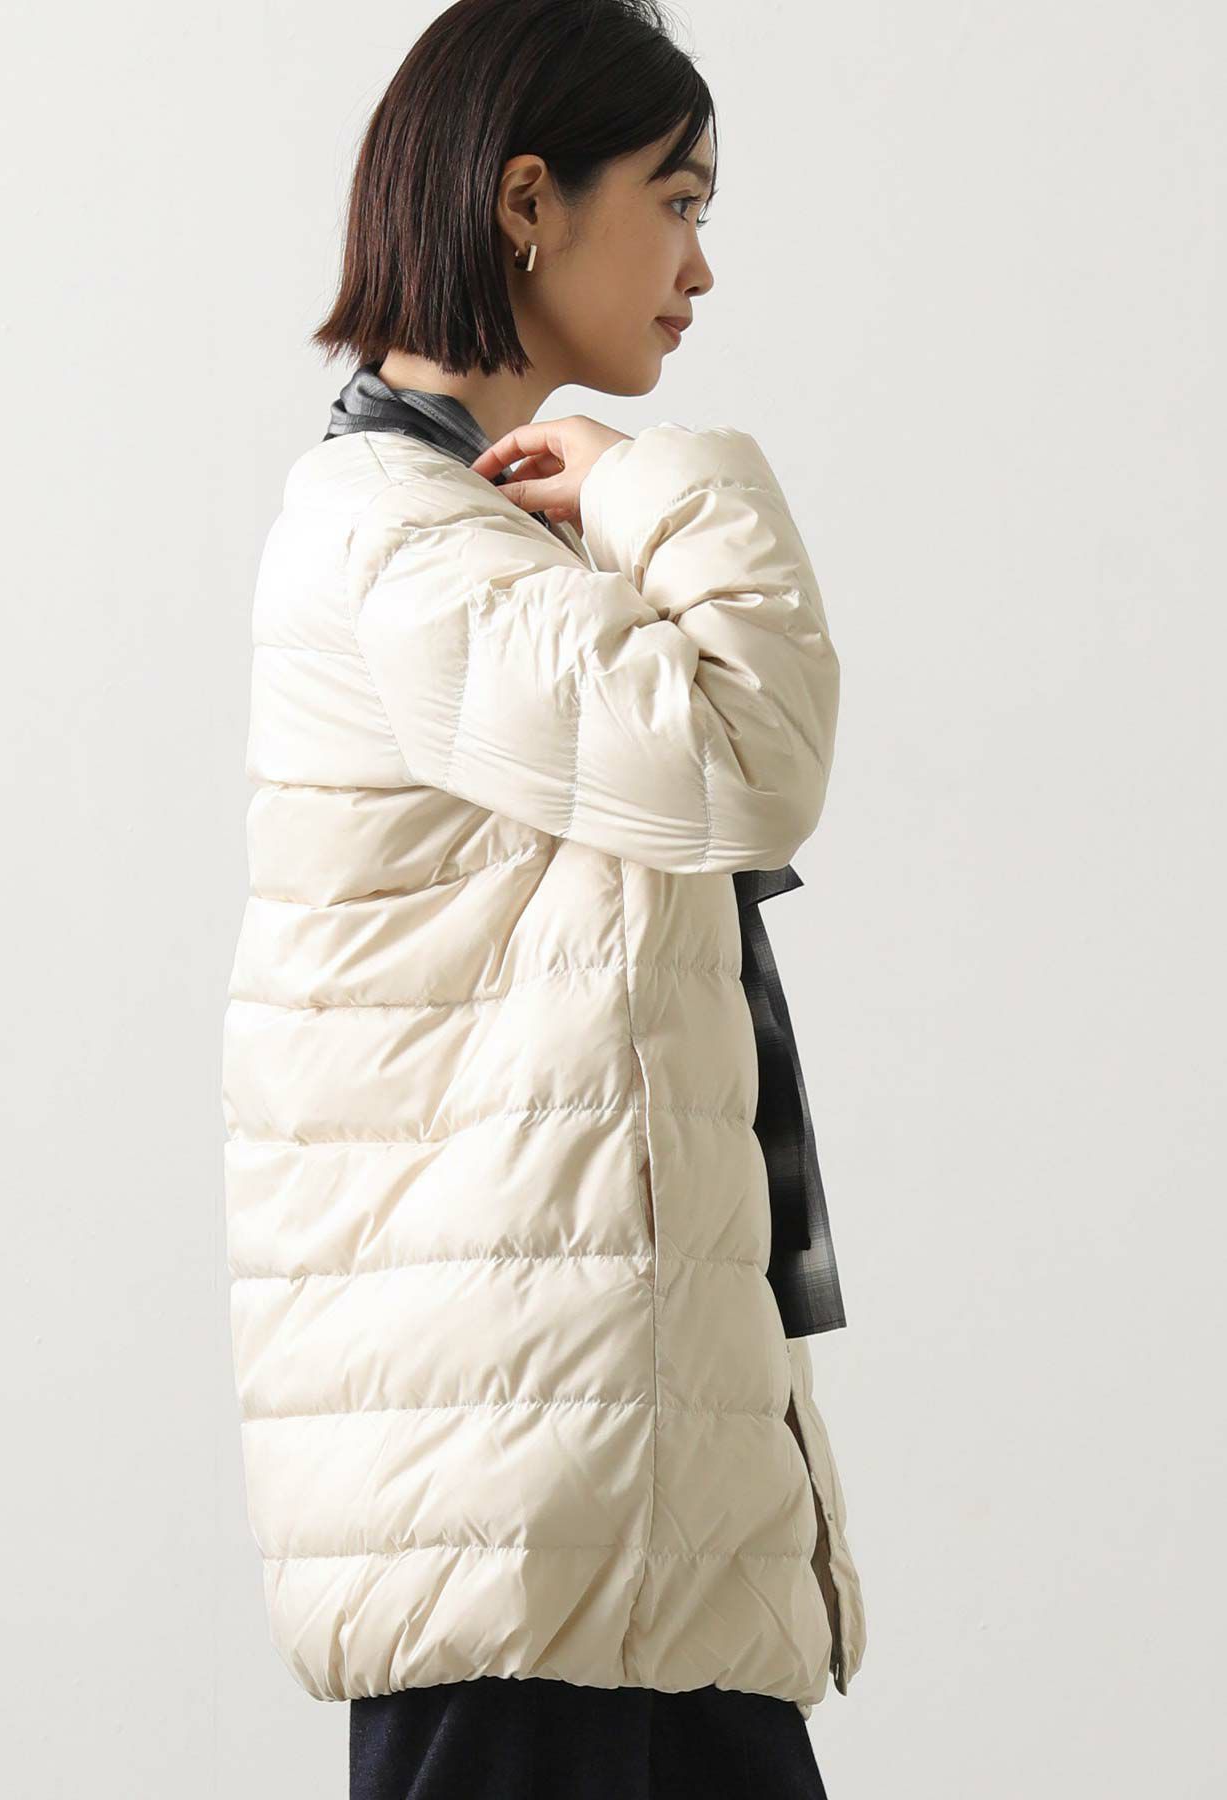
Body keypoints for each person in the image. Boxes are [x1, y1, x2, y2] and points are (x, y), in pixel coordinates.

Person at [222, 1, 868, 1791]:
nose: (701, 266)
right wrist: (666, 484)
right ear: (528, 203)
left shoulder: (489, 542)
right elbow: (746, 757)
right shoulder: (399, 542)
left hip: (609, 1487)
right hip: (522, 1509)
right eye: (679, 201)